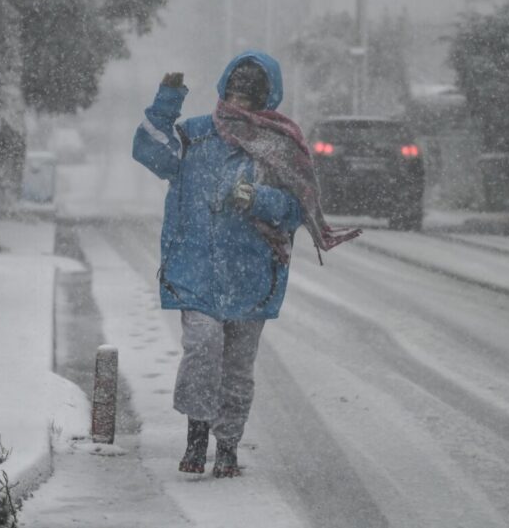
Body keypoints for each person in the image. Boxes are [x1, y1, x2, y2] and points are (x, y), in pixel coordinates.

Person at [132, 50, 360, 478]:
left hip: (252, 274)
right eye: (233, 92)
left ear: (264, 100)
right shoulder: (196, 135)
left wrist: (259, 199)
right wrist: (167, 101)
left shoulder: (279, 147)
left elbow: (296, 209)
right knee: (202, 347)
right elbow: (151, 152)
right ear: (223, 88)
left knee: (237, 367)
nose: (238, 103)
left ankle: (228, 447)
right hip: (195, 268)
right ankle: (196, 438)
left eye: (248, 97)